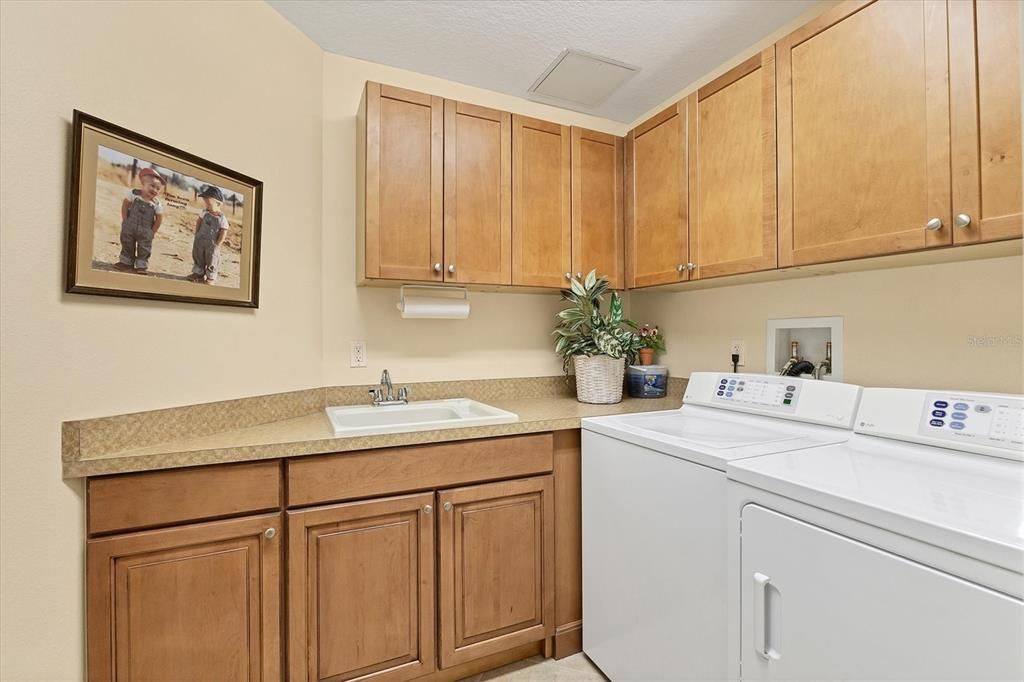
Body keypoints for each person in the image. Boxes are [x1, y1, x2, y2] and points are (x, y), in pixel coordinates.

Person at [115, 166, 164, 273]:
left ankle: (142, 266)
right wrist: (125, 220)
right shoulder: (134, 194)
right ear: (143, 183)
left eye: (158, 189)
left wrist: (152, 232)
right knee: (127, 242)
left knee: (144, 247)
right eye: (152, 186)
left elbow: (159, 219)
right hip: (129, 226)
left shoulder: (156, 204)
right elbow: (125, 204)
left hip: (145, 231)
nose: (154, 190)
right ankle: (126, 263)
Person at [188, 185, 229, 284]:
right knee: (198, 256)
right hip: (200, 239)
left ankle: (211, 277)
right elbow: (199, 221)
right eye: (205, 203)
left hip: (212, 243)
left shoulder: (222, 218)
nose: (206, 206)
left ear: (218, 204)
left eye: (209, 204)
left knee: (212, 259)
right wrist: (197, 234)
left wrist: (218, 243)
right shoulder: (204, 212)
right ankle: (198, 273)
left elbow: (224, 231)